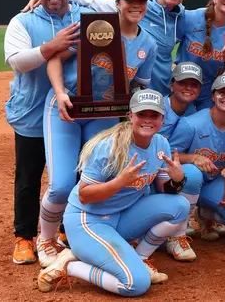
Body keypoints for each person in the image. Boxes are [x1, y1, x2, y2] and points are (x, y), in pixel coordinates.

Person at [40, 0, 157, 267]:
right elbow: (54, 59)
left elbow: (139, 88)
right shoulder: (97, 28)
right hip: (67, 108)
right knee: (60, 185)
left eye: (141, 1)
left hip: (104, 113)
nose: (136, 6)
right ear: (117, 3)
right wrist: (59, 93)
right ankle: (45, 239)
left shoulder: (148, 43)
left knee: (95, 179)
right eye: (130, 0)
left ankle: (80, 235)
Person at [35, 90, 190, 296]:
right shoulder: (109, 146)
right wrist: (120, 182)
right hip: (88, 221)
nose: (147, 120)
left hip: (120, 217)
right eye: (142, 114)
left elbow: (164, 189)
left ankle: (141, 259)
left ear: (163, 118)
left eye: (154, 115)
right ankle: (69, 264)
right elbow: (84, 195)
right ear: (130, 116)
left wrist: (178, 179)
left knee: (180, 205)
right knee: (135, 285)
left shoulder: (161, 143)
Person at [4, 0, 82, 264]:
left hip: (71, 113)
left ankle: (65, 229)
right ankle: (24, 237)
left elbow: (113, 4)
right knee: (29, 177)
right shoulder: (22, 21)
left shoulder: (82, 16)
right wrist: (50, 47)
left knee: (74, 175)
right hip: (33, 112)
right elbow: (17, 62)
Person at [42, 0, 192, 96]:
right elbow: (92, 0)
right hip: (113, 92)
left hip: (157, 88)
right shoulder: (138, 6)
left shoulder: (183, 19)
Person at [169, 75, 225, 248]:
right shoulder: (191, 124)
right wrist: (193, 158)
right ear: (213, 96)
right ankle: (177, 230)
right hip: (183, 184)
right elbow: (168, 155)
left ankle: (205, 213)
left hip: (210, 182)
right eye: (222, 92)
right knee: (194, 173)